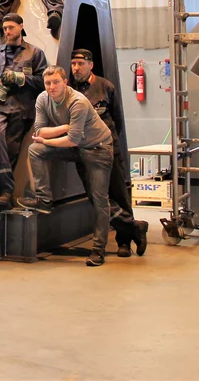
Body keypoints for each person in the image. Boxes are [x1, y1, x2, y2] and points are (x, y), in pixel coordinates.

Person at [21, 66, 114, 266]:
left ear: (65, 82)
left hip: (98, 149)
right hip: (76, 146)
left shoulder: (78, 102)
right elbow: (39, 131)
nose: (52, 87)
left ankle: (99, 250)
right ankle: (44, 199)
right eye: (48, 83)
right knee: (35, 149)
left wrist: (48, 139)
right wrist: (64, 128)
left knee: (99, 200)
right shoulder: (43, 99)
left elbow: (71, 140)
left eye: (56, 82)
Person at [70, 49, 148, 257]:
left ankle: (124, 242)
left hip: (108, 149)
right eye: (73, 64)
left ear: (90, 65)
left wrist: (109, 142)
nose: (76, 68)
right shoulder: (70, 91)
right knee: (97, 199)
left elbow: (117, 120)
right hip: (84, 152)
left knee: (119, 195)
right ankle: (135, 227)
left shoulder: (105, 87)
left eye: (80, 63)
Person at [0, 14, 47, 210]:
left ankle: (3, 193)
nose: (7, 31)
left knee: (10, 150)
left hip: (20, 110)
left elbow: (44, 82)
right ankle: (2, 191)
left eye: (11, 27)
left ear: (21, 26)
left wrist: (22, 78)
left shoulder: (35, 53)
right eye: (5, 28)